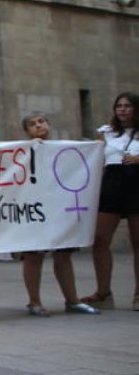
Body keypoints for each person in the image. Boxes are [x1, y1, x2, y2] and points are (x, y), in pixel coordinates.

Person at [17, 113, 98, 317]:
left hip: (59, 209)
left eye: (41, 122)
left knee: (64, 254)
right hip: (35, 210)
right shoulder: (23, 151)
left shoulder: (64, 149)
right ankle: (34, 302)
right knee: (34, 255)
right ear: (26, 131)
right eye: (32, 124)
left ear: (48, 124)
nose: (38, 126)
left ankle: (72, 300)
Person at [81, 92, 139, 311]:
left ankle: (138, 294)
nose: (122, 109)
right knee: (100, 239)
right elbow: (93, 156)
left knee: (137, 241)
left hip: (136, 183)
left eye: (128, 106)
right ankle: (103, 292)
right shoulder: (106, 133)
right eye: (119, 106)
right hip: (112, 184)